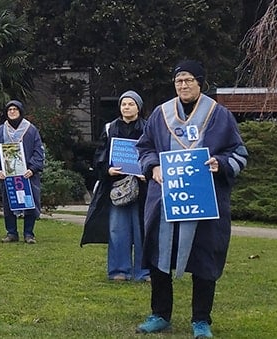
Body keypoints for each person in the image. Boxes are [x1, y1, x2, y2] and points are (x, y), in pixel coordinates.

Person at [135, 60, 248, 339]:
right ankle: (160, 314)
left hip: (205, 201)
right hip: (165, 199)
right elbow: (145, 147)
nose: (183, 86)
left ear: (200, 83)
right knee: (160, 255)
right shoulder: (161, 115)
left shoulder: (219, 115)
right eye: (178, 81)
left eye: (188, 80)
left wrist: (220, 163)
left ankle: (201, 320)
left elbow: (239, 152)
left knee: (204, 257)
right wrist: (154, 167)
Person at [80, 90, 150, 281]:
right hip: (116, 187)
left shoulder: (149, 127)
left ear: (139, 107)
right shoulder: (110, 128)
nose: (126, 107)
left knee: (143, 229)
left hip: (143, 187)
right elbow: (100, 154)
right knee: (117, 229)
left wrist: (149, 172)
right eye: (123, 104)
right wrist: (108, 170)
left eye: (131, 104)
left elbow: (153, 152)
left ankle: (144, 271)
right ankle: (119, 270)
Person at [0, 99, 44, 244]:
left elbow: (39, 151)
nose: (12, 112)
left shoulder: (31, 130)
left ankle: (29, 234)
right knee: (9, 203)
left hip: (27, 175)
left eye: (15, 109)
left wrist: (32, 169)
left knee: (29, 202)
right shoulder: (1, 131)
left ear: (20, 112)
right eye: (9, 110)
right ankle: (12, 233)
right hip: (8, 175)